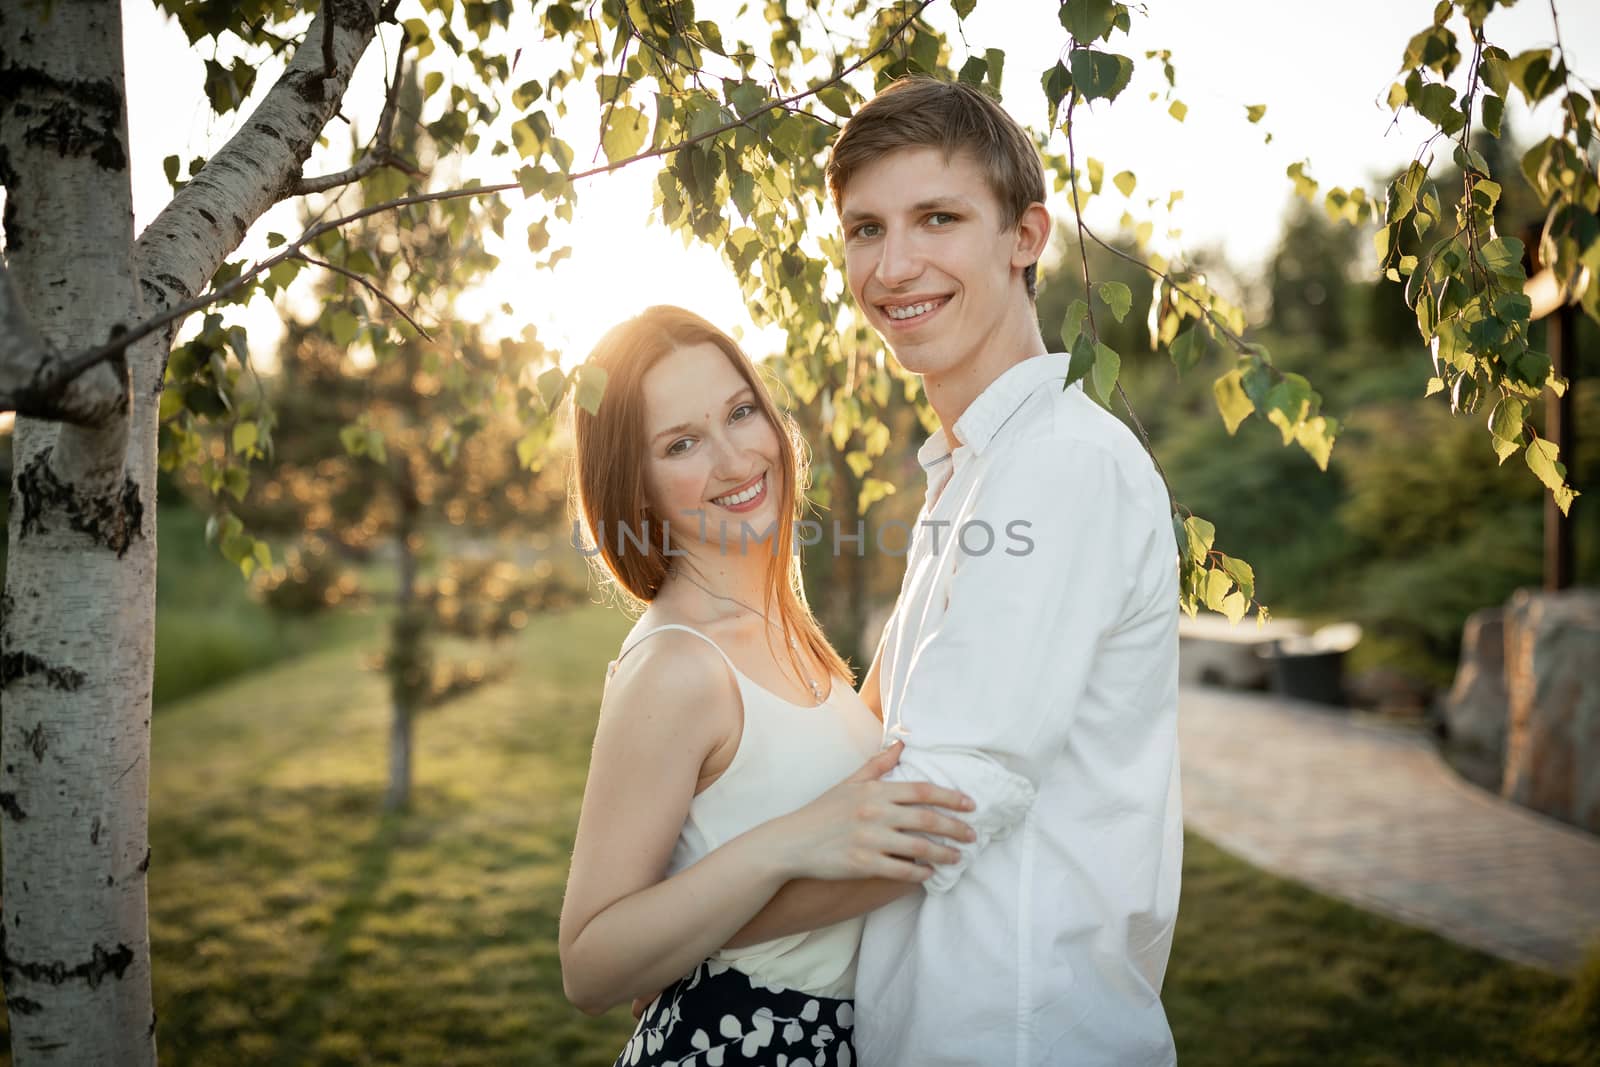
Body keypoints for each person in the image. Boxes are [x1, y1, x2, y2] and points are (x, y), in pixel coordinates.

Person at [719, 78, 1185, 1066]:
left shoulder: (1058, 465)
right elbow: (871, 752)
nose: (893, 266)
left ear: (1024, 237)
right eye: (864, 228)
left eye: (938, 218)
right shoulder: (972, 470)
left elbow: (933, 810)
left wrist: (690, 923)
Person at [557, 305, 978, 1067]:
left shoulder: (778, 625)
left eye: (741, 411)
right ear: (636, 482)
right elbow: (588, 963)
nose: (734, 457)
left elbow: (850, 765)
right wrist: (784, 844)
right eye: (682, 442)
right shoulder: (678, 667)